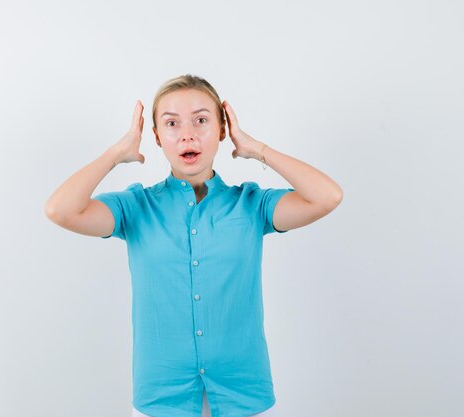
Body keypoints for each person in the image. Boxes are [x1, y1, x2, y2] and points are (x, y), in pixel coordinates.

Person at [45, 74, 343, 417]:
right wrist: (116, 153)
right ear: (156, 137)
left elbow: (327, 197)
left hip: (244, 393)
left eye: (201, 120)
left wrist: (256, 148)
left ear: (222, 129)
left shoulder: (251, 204)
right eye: (172, 123)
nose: (187, 133)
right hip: (161, 395)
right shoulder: (135, 207)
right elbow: (60, 210)